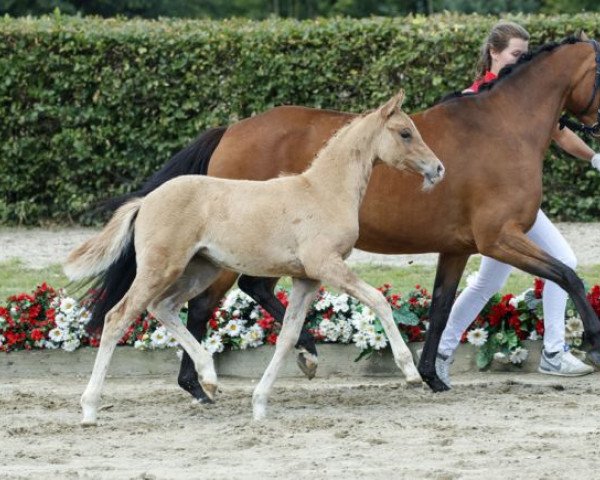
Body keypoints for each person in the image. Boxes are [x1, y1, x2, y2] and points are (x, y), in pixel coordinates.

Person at [436, 21, 600, 385]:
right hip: (487, 210)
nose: (520, 62)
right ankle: (550, 353)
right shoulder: (471, 97)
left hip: (512, 208)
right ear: (494, 53)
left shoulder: (523, 100)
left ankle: (445, 352)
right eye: (515, 54)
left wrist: (593, 159)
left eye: (525, 56)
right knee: (519, 274)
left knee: (492, 282)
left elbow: (560, 133)